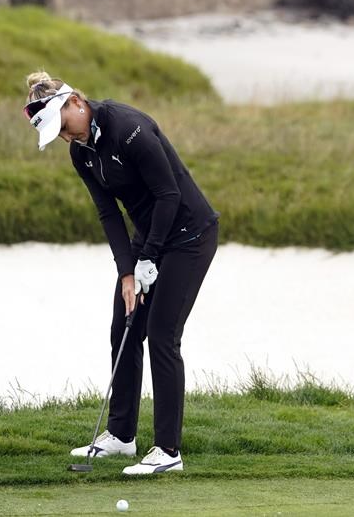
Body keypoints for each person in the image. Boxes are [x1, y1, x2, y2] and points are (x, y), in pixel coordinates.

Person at [23, 71, 219, 475]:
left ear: (76, 101)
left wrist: (149, 257)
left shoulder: (128, 129)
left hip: (188, 235)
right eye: (57, 134)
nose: (65, 137)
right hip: (148, 238)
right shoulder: (81, 152)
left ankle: (168, 451)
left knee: (163, 335)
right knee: (124, 326)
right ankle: (121, 436)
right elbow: (109, 214)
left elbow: (169, 195)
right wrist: (128, 272)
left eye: (63, 126)